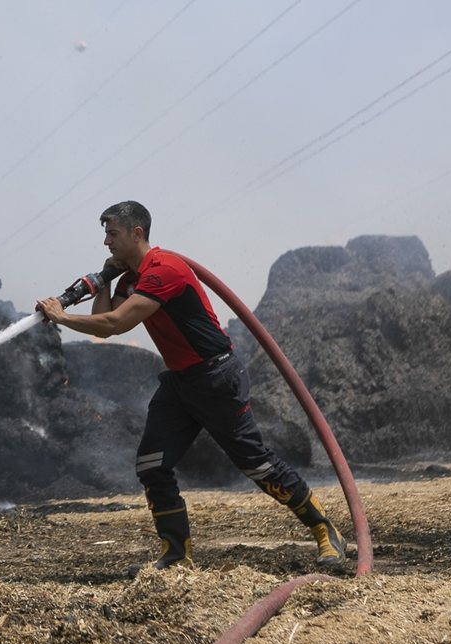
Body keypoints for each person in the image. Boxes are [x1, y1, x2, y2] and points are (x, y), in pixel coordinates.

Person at [35, 200, 346, 570]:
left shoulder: (164, 270)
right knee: (152, 465)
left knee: (256, 465)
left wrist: (60, 316)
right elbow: (103, 318)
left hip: (216, 378)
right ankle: (177, 554)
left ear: (137, 233)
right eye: (105, 234)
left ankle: (326, 530)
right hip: (180, 383)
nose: (106, 242)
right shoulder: (132, 277)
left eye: (112, 234)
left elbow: (114, 324)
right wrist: (106, 277)